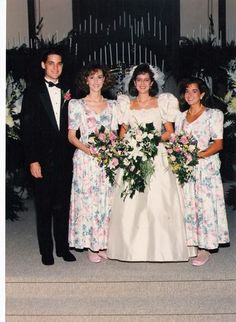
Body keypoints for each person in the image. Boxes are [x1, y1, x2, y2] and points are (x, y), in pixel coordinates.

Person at [107, 63, 197, 262]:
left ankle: (163, 248)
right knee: (132, 200)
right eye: (138, 80)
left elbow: (169, 131)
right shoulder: (126, 105)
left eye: (146, 80)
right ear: (133, 82)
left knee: (159, 201)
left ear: (152, 82)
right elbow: (122, 133)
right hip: (134, 155)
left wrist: (152, 140)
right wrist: (130, 143)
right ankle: (132, 248)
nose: (142, 84)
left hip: (157, 155)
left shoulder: (162, 102)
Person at [21, 49, 76, 265]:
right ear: (43, 65)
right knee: (43, 207)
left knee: (62, 206)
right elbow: (27, 129)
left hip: (65, 159)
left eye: (59, 63)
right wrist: (32, 160)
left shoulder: (69, 90)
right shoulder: (32, 92)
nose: (55, 68)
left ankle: (63, 248)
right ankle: (46, 251)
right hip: (42, 160)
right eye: (51, 63)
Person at [175, 77, 230, 266]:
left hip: (206, 166)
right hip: (186, 169)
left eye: (194, 91)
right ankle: (192, 244)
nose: (190, 95)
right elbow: (177, 143)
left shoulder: (213, 115)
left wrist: (198, 155)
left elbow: (219, 144)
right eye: (187, 91)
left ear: (202, 94)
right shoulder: (180, 117)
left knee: (205, 205)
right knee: (189, 205)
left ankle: (205, 248)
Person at [68, 62, 118, 263]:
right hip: (85, 160)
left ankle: (103, 243)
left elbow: (115, 135)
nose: (96, 81)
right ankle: (91, 245)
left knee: (106, 201)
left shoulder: (113, 105)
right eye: (92, 77)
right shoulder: (76, 104)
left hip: (107, 160)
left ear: (105, 80)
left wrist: (111, 151)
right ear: (85, 80)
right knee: (88, 202)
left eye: (99, 77)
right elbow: (71, 136)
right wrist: (88, 150)